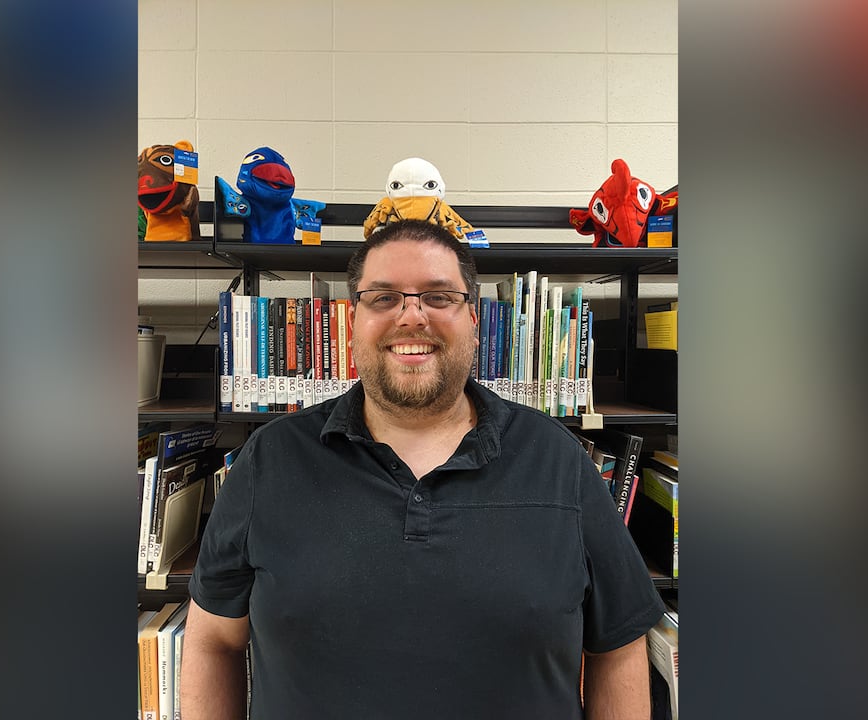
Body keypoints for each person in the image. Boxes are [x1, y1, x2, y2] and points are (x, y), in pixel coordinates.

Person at [182, 219, 664, 719]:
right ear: (352, 326)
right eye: (383, 297)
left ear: (475, 323)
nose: (412, 316)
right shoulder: (270, 459)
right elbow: (213, 640)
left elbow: (618, 645)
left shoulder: (559, 461)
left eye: (439, 297)